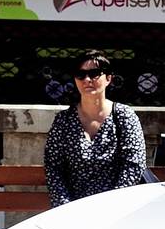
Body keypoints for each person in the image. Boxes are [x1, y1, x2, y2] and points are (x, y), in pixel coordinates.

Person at [43, 51, 148, 207]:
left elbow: (134, 166)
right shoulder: (63, 120)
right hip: (73, 210)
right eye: (81, 74)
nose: (87, 80)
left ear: (109, 78)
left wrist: (111, 206)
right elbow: (54, 168)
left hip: (118, 208)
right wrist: (65, 208)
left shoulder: (124, 116)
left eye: (94, 74)